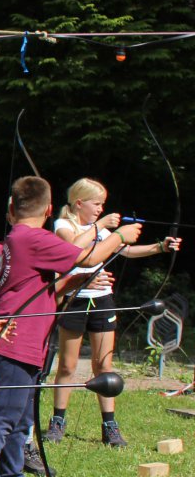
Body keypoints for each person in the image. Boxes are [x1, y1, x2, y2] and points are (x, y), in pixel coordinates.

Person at [0, 176, 141, 477]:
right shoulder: (33, 237)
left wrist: (72, 281)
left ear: (12, 208)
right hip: (16, 341)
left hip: (28, 342)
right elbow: (86, 257)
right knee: (2, 417)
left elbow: (41, 288)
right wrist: (118, 237)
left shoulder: (18, 239)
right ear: (48, 210)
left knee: (20, 417)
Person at [45, 178, 180, 447]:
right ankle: (58, 422)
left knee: (103, 366)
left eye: (102, 205)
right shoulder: (64, 225)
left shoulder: (102, 230)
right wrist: (101, 225)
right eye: (96, 204)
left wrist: (160, 247)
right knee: (68, 366)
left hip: (102, 301)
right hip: (75, 300)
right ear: (79, 203)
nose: (100, 209)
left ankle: (110, 425)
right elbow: (73, 248)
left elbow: (125, 250)